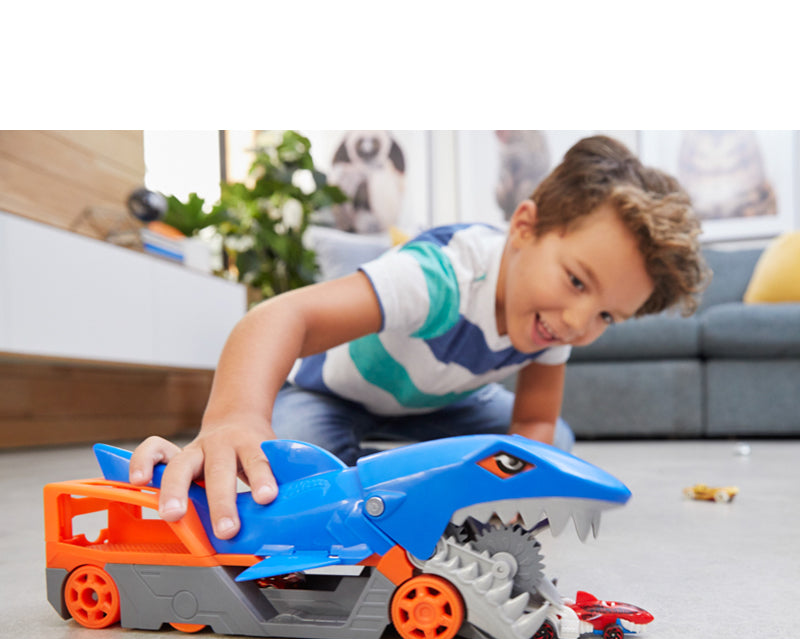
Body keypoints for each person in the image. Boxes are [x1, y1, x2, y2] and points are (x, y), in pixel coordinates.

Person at [129, 135, 706, 541]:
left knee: (554, 441)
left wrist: (510, 504)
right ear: (525, 227)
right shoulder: (440, 277)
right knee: (288, 473)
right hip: (332, 395)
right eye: (577, 281)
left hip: (444, 406)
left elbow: (533, 422)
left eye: (607, 316)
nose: (580, 322)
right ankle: (384, 470)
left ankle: (403, 468)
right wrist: (235, 418)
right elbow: (279, 317)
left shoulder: (557, 317)